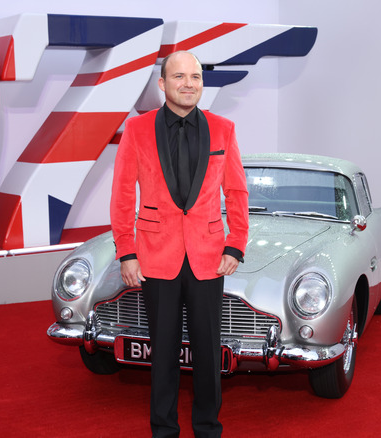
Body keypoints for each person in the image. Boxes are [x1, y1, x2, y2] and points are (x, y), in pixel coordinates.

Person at [110, 51, 249, 438]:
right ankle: (164, 430)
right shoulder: (137, 130)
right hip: (155, 258)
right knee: (164, 354)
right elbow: (122, 195)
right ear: (162, 84)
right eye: (179, 76)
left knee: (208, 353)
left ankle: (208, 429)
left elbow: (236, 191)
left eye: (196, 76)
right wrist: (127, 252)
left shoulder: (224, 129)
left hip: (209, 258)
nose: (189, 83)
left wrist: (235, 244)